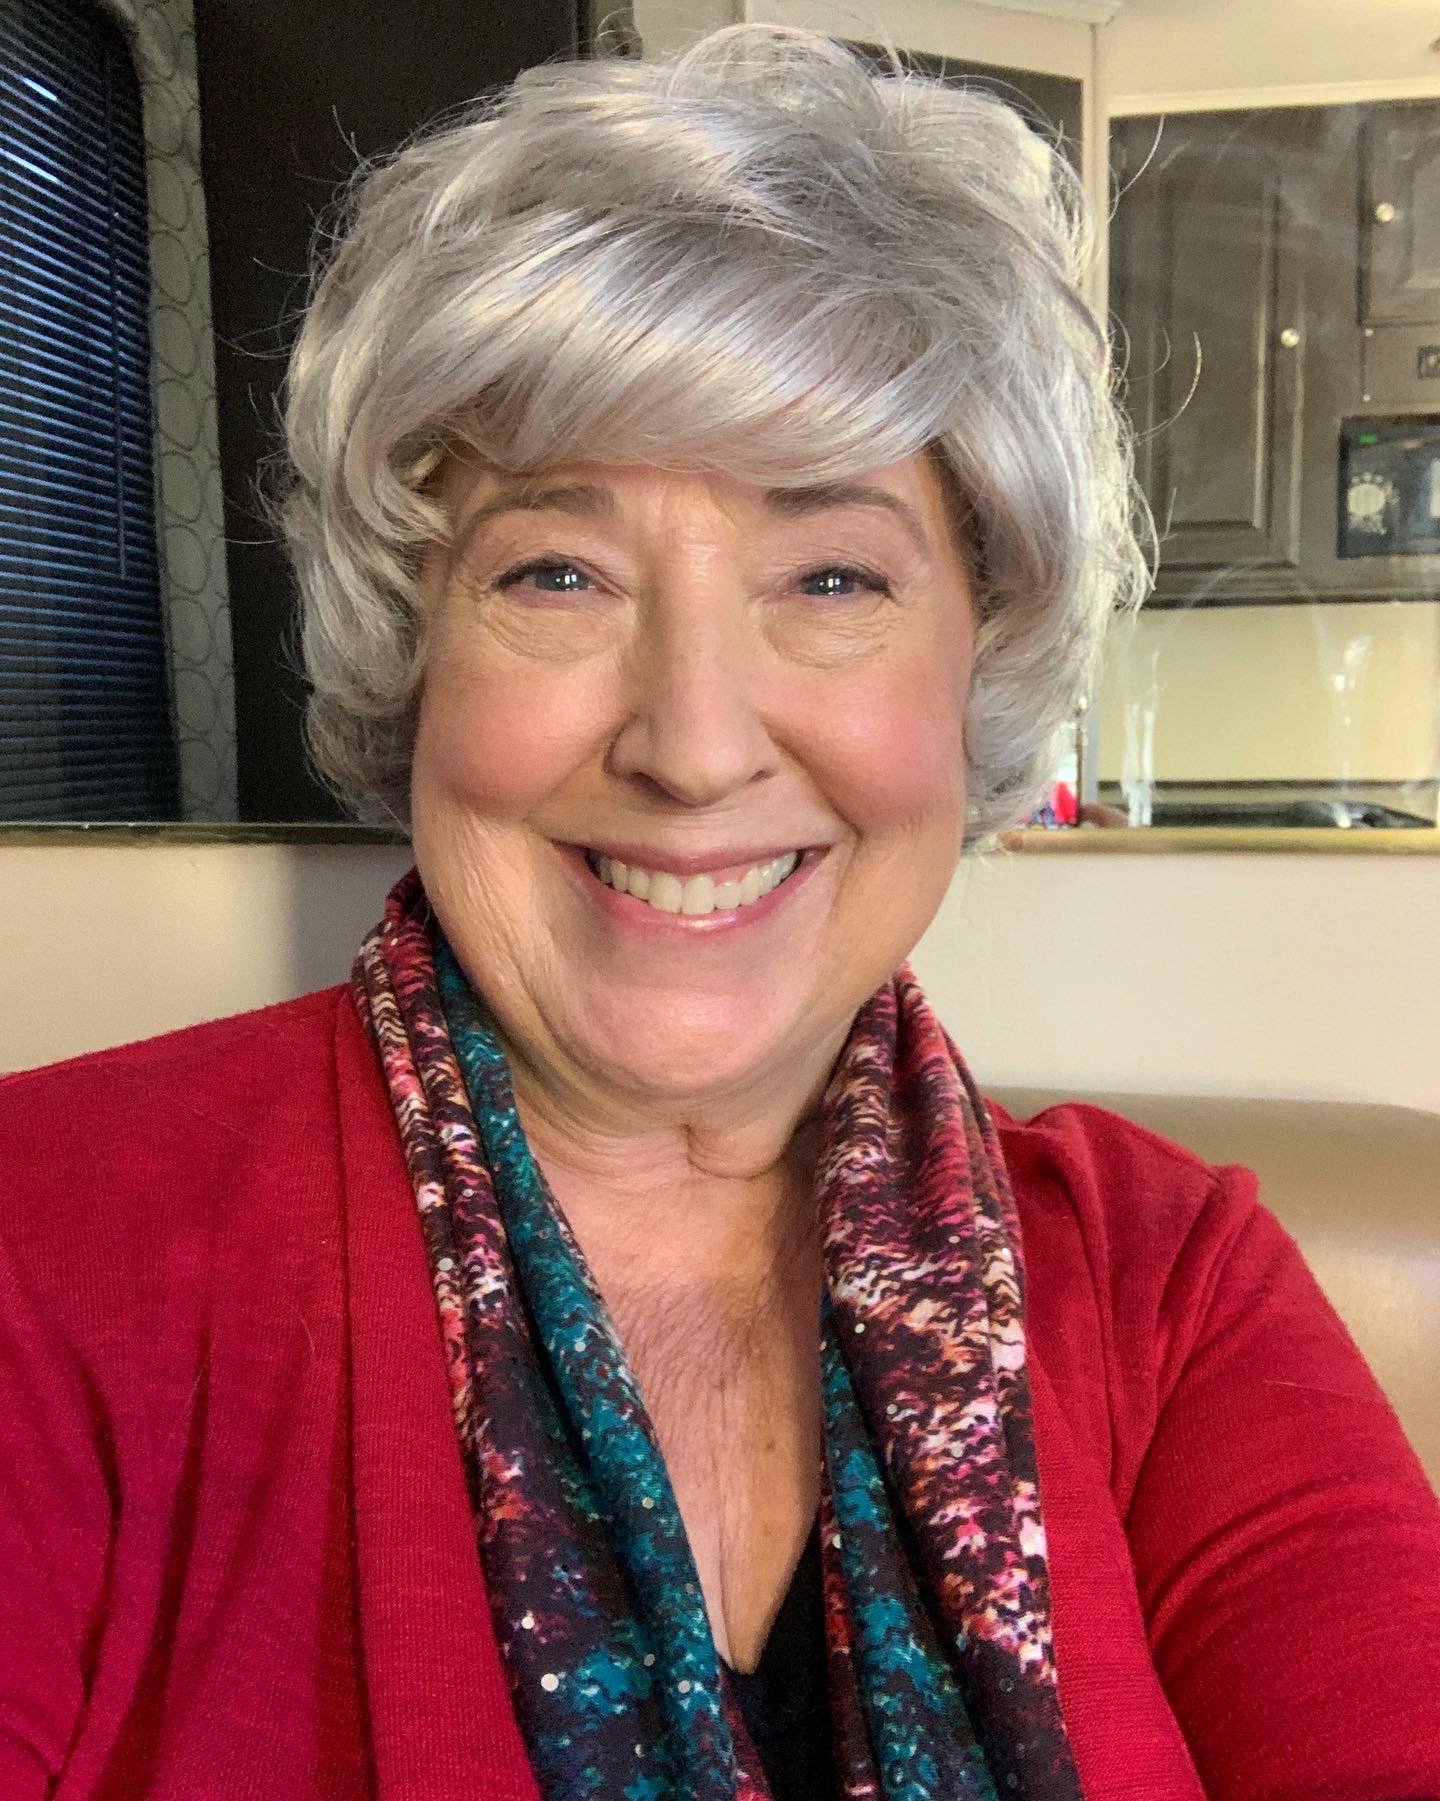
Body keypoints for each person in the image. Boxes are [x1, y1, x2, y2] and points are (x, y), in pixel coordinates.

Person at [2, 25, 1438, 1801]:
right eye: (558, 571)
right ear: (415, 643)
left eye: (831, 574)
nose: (692, 745)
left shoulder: (1173, 1289)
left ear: (978, 661)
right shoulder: (43, 1242)